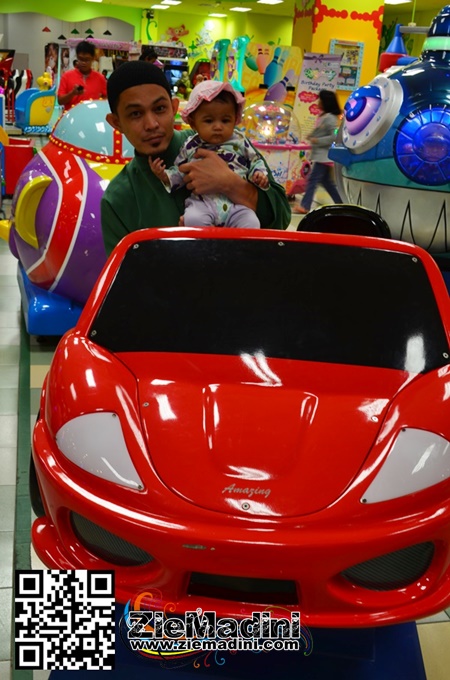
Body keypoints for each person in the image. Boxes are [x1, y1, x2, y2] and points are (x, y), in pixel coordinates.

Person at [101, 61, 290, 255]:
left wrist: (231, 185)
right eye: (135, 114)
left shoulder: (226, 141)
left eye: (159, 109)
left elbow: (282, 217)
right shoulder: (118, 199)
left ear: (174, 108)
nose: (151, 124)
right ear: (116, 123)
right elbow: (128, 271)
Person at [149, 80, 269, 229]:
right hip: (203, 203)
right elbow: (180, 171)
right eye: (209, 120)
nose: (218, 126)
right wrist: (165, 176)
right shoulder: (191, 145)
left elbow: (255, 161)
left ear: (235, 119)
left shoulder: (240, 141)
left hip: (237, 205)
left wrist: (259, 174)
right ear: (193, 123)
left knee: (251, 222)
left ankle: (231, 244)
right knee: (192, 219)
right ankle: (211, 242)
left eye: (225, 120)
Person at [298, 89, 343, 214]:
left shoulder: (330, 118)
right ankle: (342, 203)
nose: (318, 103)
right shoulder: (324, 116)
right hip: (320, 156)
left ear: (326, 102)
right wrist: (311, 136)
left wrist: (317, 140)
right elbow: (320, 132)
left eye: (320, 100)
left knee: (312, 180)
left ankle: (305, 206)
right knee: (327, 183)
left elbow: (333, 137)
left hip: (324, 157)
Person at [57, 40, 107, 111]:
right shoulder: (66, 76)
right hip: (72, 117)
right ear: (77, 57)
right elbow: (60, 101)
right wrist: (72, 93)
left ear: (93, 58)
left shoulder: (100, 78)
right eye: (80, 59)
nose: (83, 63)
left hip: (92, 116)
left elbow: (106, 99)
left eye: (87, 60)